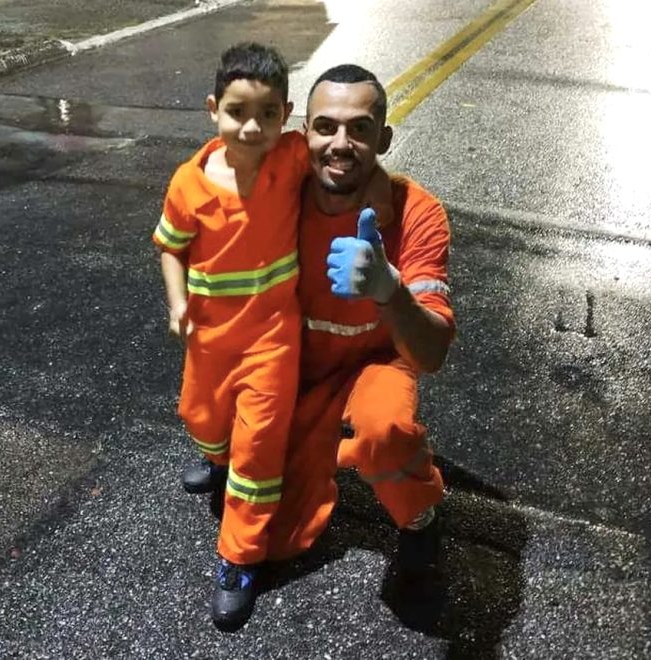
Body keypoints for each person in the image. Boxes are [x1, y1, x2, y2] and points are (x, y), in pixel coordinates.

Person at [152, 45, 391, 629]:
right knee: (203, 418)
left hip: (271, 342)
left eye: (266, 113)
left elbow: (354, 163)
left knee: (259, 453)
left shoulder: (290, 158)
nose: (252, 126)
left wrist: (384, 205)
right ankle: (215, 456)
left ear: (286, 116)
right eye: (238, 111)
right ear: (214, 109)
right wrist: (178, 302)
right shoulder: (188, 183)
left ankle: (238, 559)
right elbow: (170, 247)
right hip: (210, 339)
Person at [265, 64, 455, 562]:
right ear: (303, 132)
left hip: (375, 364)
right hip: (299, 363)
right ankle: (226, 452)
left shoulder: (418, 213)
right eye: (326, 126)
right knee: (273, 533)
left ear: (384, 139)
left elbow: (431, 352)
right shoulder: (279, 194)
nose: (341, 143)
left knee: (384, 431)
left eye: (360, 129)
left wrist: (388, 289)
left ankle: (418, 518)